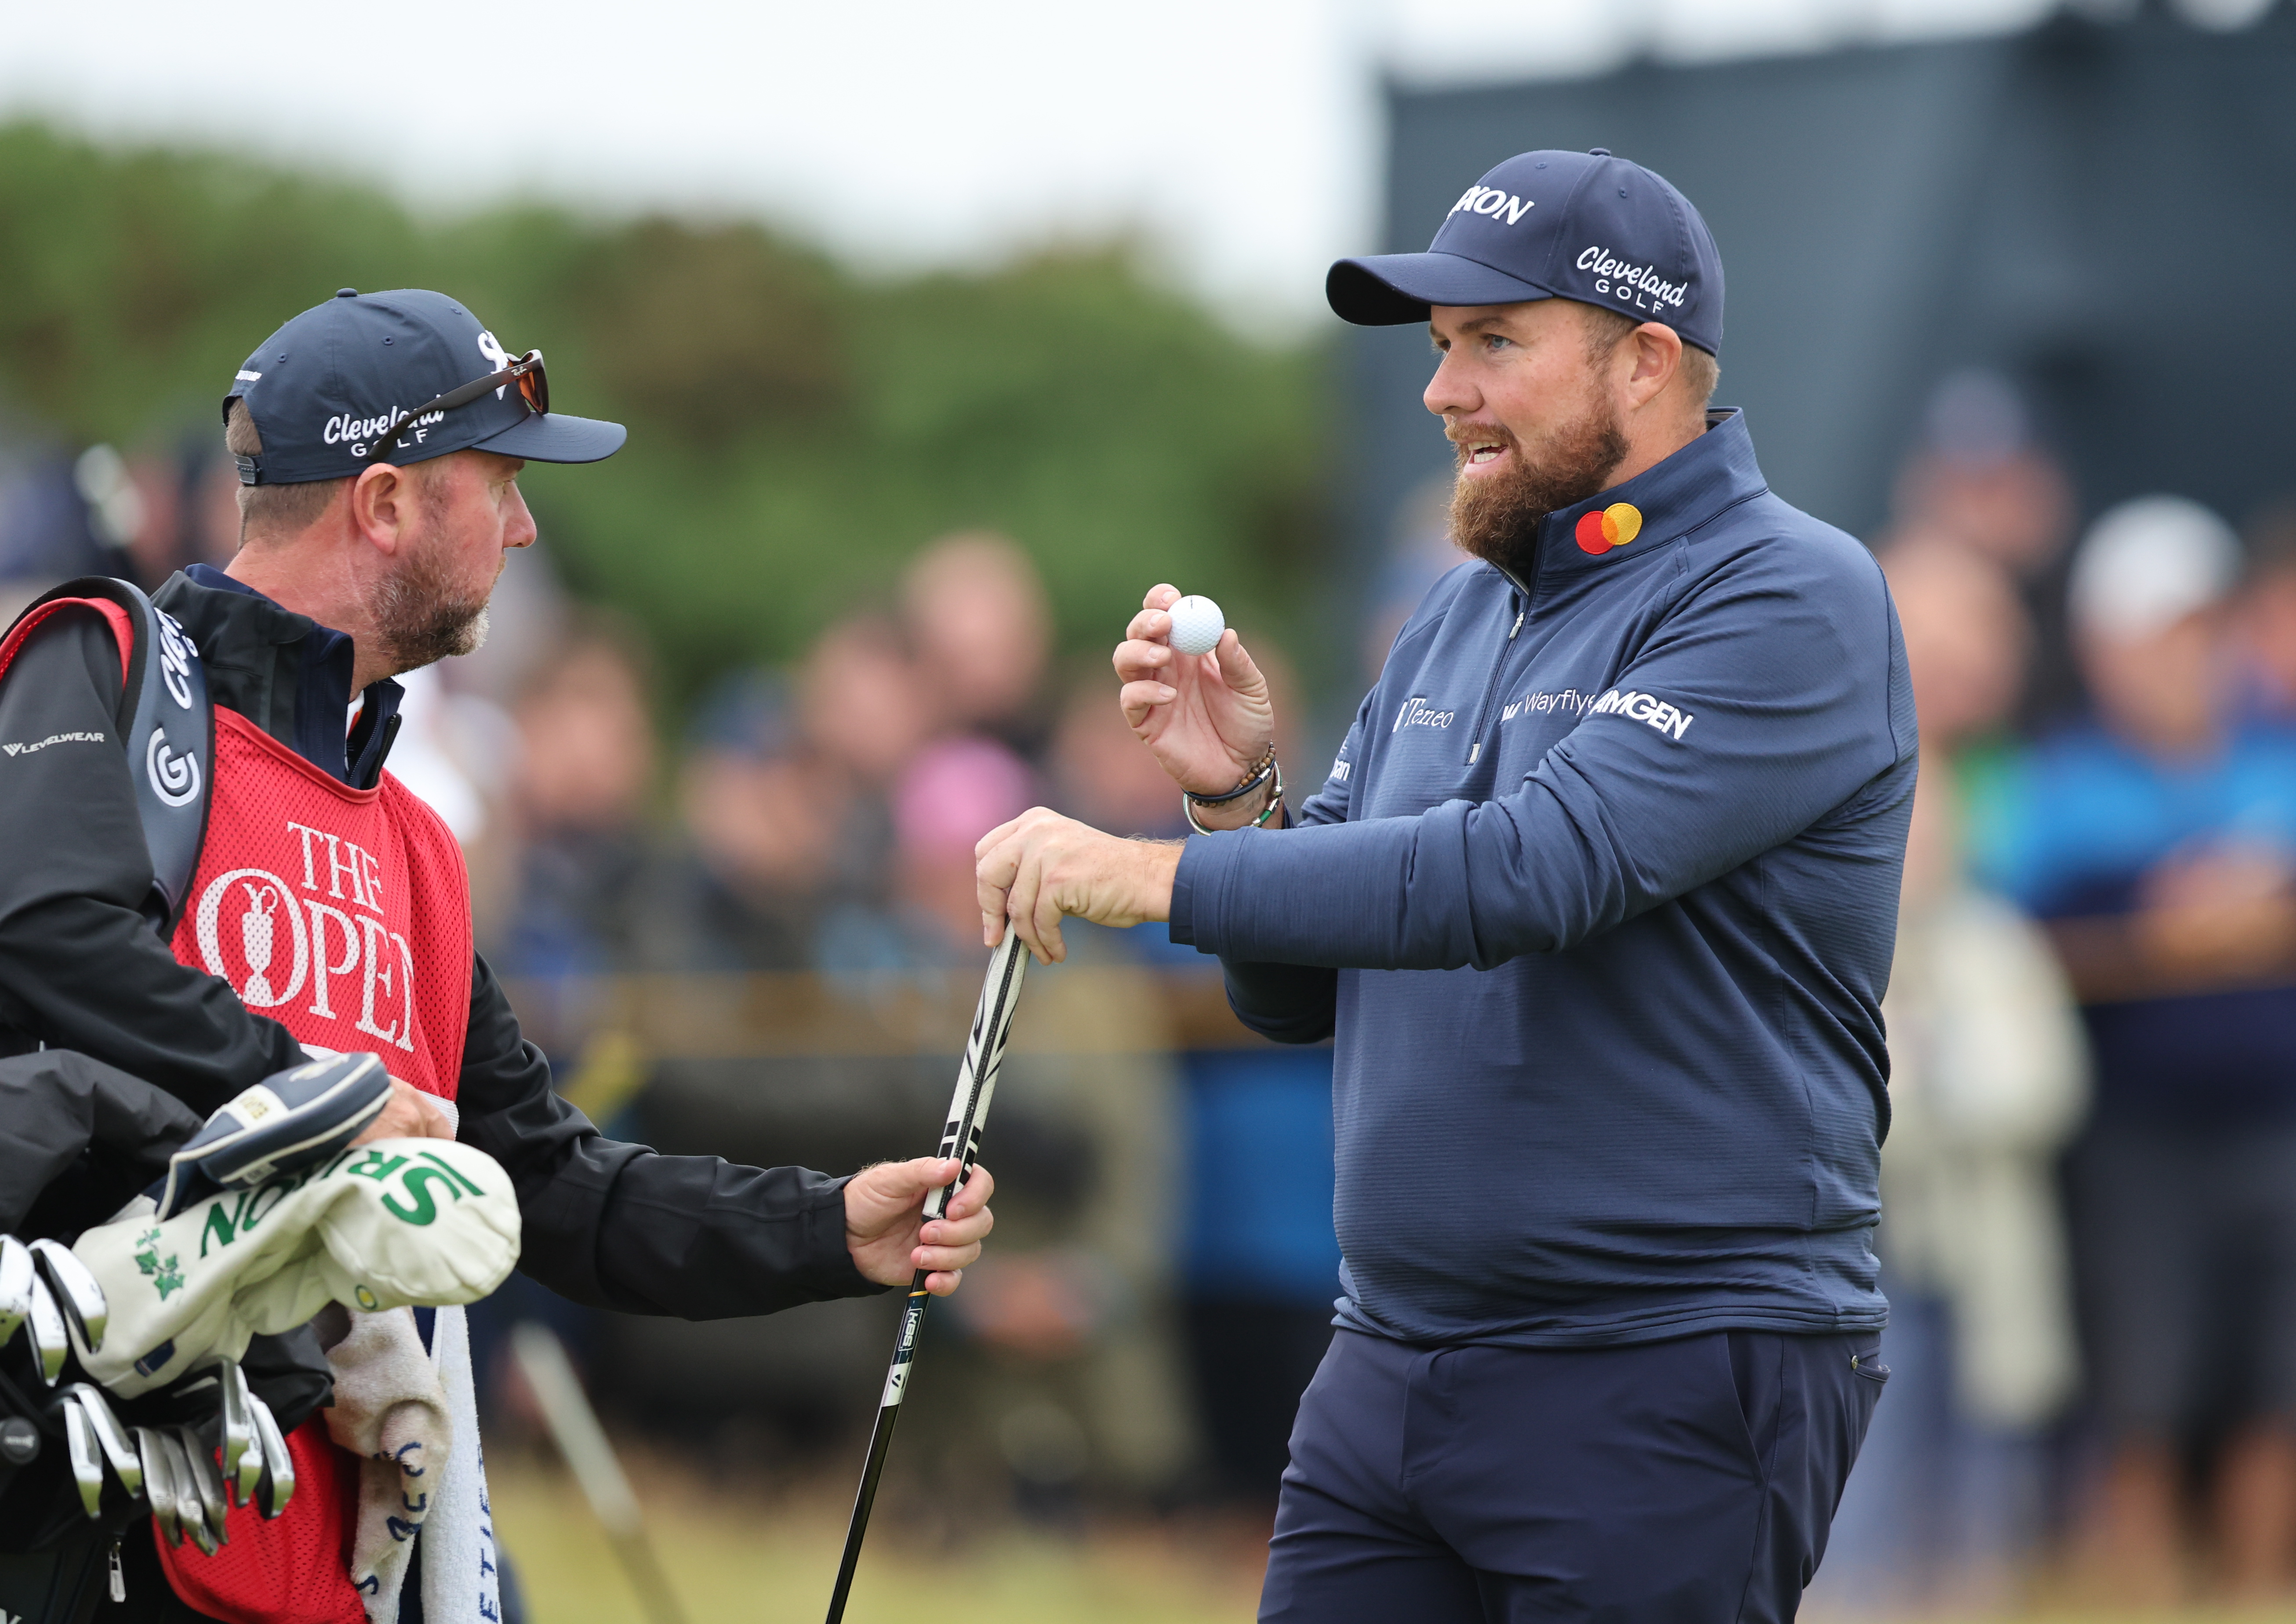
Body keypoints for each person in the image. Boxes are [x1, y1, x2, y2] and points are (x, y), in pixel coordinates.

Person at [975, 148, 1914, 1621]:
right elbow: (1295, 993)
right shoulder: (1461, 609)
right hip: (1390, 1363)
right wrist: (1234, 804)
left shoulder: (1789, 592)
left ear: (1646, 361)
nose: (1441, 390)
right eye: (1437, 349)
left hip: (1664, 1363)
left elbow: (1537, 870)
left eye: (1493, 342)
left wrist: (1145, 874)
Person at [0, 288, 1003, 1624]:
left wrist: (826, 1230)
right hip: (93, 1526)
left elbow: (546, 1183)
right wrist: (328, 1098)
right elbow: (47, 930)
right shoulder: (109, 664)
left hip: (329, 1552)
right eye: (502, 485)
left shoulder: (417, 842)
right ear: (385, 503)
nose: (527, 527)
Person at [1983, 496, 2296, 1604]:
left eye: (2199, 630)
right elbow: (2007, 955)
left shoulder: (2278, 761)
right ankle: (2138, 1596)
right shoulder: (2057, 786)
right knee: (2144, 1383)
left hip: (2275, 1119)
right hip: (2133, 1134)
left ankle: (2262, 1593)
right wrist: (2154, 939)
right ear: (2104, 646)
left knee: (2278, 1381)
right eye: (2159, 634)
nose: (2183, 657)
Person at [1810, 540, 2088, 1615]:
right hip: (1840, 1229)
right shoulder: (1821, 765)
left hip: (1968, 1230)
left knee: (1979, 1496)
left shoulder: (1993, 785)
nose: (1986, 659)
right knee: (1856, 1505)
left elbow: (2034, 1063)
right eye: (1955, 634)